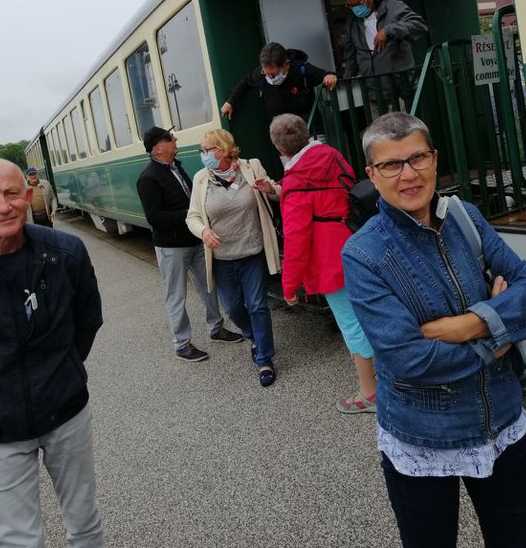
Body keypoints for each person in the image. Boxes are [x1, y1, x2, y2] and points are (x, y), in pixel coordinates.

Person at [342, 113, 526, 548]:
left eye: (417, 158)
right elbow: (409, 358)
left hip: (502, 422)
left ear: (434, 159)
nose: (408, 174)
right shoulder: (365, 253)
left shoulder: (466, 217)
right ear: (372, 175)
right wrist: (497, 335)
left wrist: (468, 324)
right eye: (392, 165)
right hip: (422, 436)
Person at [0, 158, 104, 548]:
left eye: (11, 193)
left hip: (67, 413)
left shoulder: (66, 252)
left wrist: (63, 371)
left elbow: (88, 319)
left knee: (84, 522)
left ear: (27, 197)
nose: (3, 206)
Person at [267, 113, 376, 413]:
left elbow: (297, 239)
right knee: (372, 313)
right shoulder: (334, 157)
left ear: (279, 148)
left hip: (330, 259)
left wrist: (289, 285)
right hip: (358, 242)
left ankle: (370, 393)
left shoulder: (295, 183)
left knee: (351, 323)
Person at [136, 126, 243, 362]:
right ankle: (182, 344)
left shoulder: (177, 167)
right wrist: (191, 215)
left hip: (194, 241)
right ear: (157, 148)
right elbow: (155, 218)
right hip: (171, 247)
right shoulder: (148, 178)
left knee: (208, 286)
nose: (174, 139)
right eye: (168, 138)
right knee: (176, 295)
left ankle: (216, 329)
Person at [186, 129, 280, 386]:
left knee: (258, 305)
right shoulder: (201, 179)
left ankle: (264, 359)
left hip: (252, 252)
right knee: (234, 308)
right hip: (222, 258)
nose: (204, 155)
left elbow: (279, 192)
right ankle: (253, 336)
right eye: (202, 151)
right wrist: (204, 231)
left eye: (208, 150)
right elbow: (192, 217)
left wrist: (270, 188)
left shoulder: (251, 167)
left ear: (224, 149)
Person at [342, 0, 428, 115]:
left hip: (401, 90)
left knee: (404, 133)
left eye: (358, 3)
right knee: (380, 135)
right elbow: (351, 55)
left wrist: (388, 31)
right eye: (350, 6)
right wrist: (345, 78)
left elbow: (419, 25)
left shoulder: (393, 8)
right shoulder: (352, 22)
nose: (355, 9)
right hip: (374, 93)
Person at [220, 42, 337, 122]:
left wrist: (330, 76)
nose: (270, 77)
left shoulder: (301, 69)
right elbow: (245, 82)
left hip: (310, 129)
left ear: (286, 64)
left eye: (273, 74)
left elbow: (324, 74)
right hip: (282, 134)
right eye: (266, 73)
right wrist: (230, 102)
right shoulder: (260, 75)